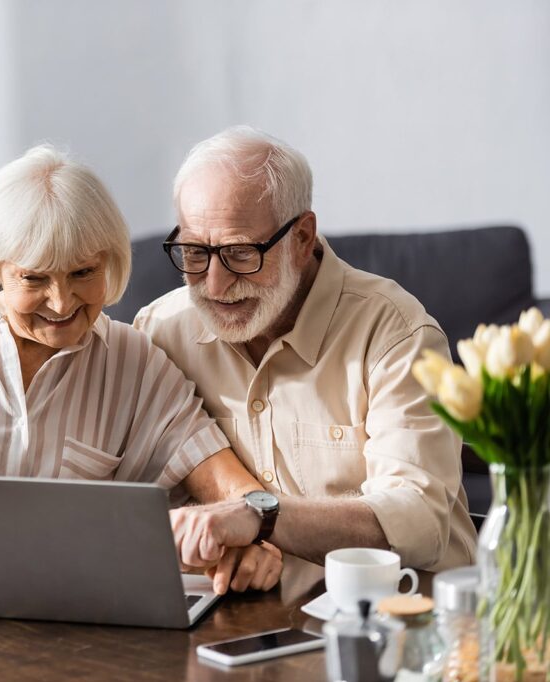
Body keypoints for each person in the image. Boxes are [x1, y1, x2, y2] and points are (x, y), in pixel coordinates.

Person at [0, 144, 281, 594]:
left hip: (63, 634)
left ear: (111, 264)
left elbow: (234, 490)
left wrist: (254, 538)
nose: (61, 304)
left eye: (83, 273)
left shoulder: (135, 362)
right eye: (34, 278)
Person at [135, 126, 476, 572]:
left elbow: (418, 522)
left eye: (240, 253)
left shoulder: (396, 333)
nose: (214, 285)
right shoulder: (160, 331)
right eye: (195, 252)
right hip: (249, 620)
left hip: (400, 614)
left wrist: (259, 516)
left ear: (301, 237)